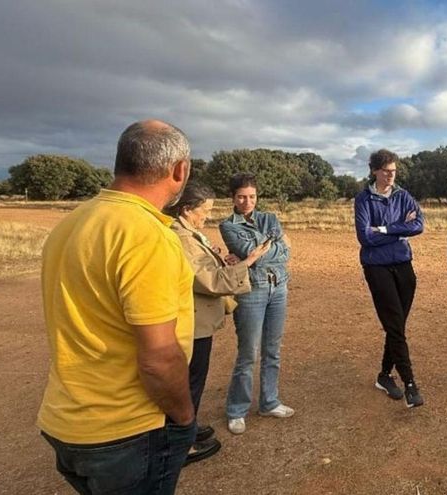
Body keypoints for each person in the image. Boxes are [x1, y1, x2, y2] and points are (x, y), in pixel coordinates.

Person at [37, 120, 196, 494]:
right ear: (179, 170)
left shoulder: (72, 223)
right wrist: (185, 416)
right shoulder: (146, 235)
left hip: (66, 421)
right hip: (127, 430)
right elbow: (159, 357)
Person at [166, 182, 269, 463]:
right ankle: (180, 445)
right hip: (192, 322)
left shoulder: (188, 233)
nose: (207, 216)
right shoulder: (182, 238)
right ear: (187, 209)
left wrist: (223, 260)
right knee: (190, 382)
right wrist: (249, 261)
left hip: (196, 319)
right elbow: (209, 282)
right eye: (204, 210)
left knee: (192, 379)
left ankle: (188, 429)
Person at [220, 173, 294, 435]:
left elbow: (286, 252)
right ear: (233, 197)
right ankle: (237, 409)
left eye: (251, 196)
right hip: (252, 290)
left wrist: (259, 250)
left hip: (278, 287)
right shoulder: (228, 226)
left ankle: (269, 401)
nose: (247, 201)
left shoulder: (269, 218)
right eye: (241, 196)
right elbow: (258, 257)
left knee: (272, 348)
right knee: (248, 352)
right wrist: (267, 248)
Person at [354, 149, 425, 408]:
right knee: (395, 325)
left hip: (404, 265)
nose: (391, 175)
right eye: (386, 171)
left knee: (397, 325)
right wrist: (400, 230)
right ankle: (410, 384)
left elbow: (419, 225)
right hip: (377, 267)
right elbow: (365, 238)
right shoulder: (363, 200)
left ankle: (384, 375)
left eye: (393, 170)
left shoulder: (403, 195)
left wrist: (385, 229)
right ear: (374, 171)